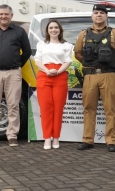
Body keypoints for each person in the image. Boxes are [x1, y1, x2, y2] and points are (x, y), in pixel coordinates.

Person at [74, 4, 115, 152]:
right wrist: (90, 63)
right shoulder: (83, 34)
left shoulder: (114, 34)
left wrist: (110, 64)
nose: (99, 15)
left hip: (108, 75)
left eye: (101, 13)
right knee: (88, 109)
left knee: (110, 110)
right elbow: (77, 53)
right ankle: (87, 140)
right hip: (90, 76)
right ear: (92, 16)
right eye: (96, 13)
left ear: (106, 16)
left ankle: (111, 141)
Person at [0, 4, 32, 147]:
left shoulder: (19, 31)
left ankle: (12, 135)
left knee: (13, 105)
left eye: (6, 14)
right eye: (1, 14)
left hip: (13, 72)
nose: (4, 16)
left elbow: (26, 51)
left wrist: (16, 63)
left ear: (12, 16)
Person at [34, 19, 73, 150]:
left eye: (56, 27)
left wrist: (58, 71)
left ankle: (56, 137)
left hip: (60, 76)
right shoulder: (41, 44)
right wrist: (46, 70)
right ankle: (46, 138)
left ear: (60, 30)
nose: (53, 30)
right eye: (51, 28)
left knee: (58, 109)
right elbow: (37, 60)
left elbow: (68, 61)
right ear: (47, 31)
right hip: (44, 76)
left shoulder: (66, 46)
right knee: (45, 108)